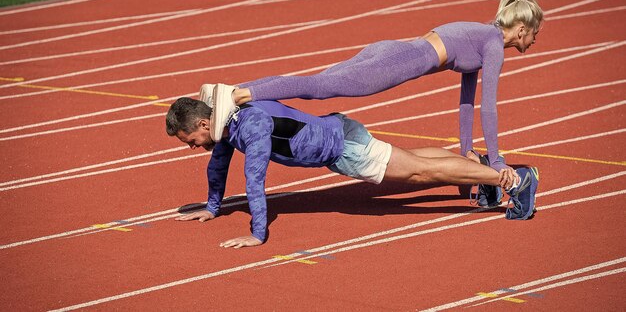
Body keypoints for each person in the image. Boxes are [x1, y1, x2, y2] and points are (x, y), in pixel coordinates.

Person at [207, 0, 543, 202]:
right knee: (319, 86)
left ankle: (235, 91)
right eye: (535, 34)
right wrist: (497, 160)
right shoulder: (494, 44)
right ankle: (238, 94)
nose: (534, 41)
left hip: (390, 51)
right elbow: (489, 108)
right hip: (399, 61)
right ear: (523, 29)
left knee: (317, 82)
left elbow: (467, 101)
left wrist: (468, 150)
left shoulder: (482, 35)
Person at [166, 90, 539, 249]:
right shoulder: (230, 120)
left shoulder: (251, 127)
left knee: (420, 174)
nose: (194, 148)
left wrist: (258, 234)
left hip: (344, 149)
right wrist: (213, 206)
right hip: (340, 131)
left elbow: (255, 179)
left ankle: (512, 179)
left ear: (202, 125)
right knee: (414, 159)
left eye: (190, 141)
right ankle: (475, 164)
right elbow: (218, 164)